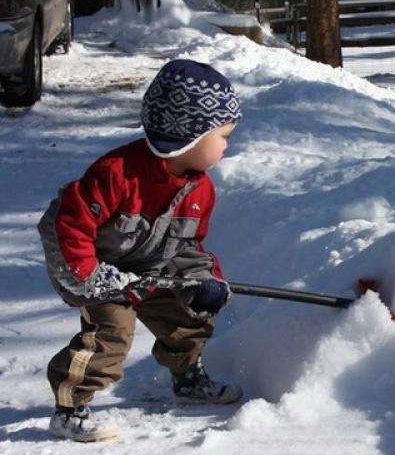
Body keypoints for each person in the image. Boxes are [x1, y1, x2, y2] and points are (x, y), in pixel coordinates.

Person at [38, 59, 243, 442]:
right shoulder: (117, 173)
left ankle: (187, 380)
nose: (227, 145)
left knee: (189, 316)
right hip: (101, 274)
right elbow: (69, 224)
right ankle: (69, 409)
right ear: (190, 135)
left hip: (151, 272)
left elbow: (187, 246)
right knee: (110, 336)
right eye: (224, 135)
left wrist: (203, 278)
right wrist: (90, 277)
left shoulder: (200, 191)